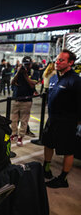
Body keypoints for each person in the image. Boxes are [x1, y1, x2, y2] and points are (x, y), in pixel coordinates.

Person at [42, 49, 81, 188]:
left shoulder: (75, 80)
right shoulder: (54, 77)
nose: (57, 62)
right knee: (48, 143)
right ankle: (46, 170)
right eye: (57, 59)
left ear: (70, 63)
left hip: (67, 121)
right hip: (52, 119)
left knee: (67, 150)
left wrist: (77, 121)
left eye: (61, 60)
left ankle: (63, 178)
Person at [10, 56, 36, 146]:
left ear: (31, 65)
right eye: (25, 64)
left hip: (26, 100)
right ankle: (14, 134)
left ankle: (21, 136)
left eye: (28, 64)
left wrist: (25, 75)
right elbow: (12, 83)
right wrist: (18, 72)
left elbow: (33, 85)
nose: (26, 66)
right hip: (16, 99)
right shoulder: (18, 72)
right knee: (13, 119)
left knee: (24, 120)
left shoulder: (33, 72)